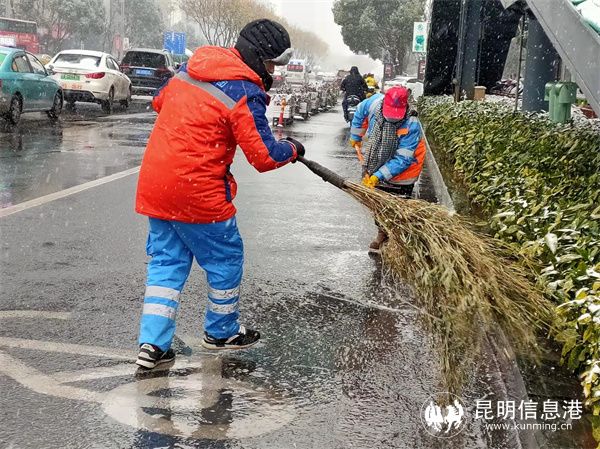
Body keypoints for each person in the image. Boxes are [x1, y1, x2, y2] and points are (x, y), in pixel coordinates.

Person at [134, 19, 304, 369]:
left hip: (156, 185)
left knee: (166, 264)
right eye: (271, 64)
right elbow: (264, 156)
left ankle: (152, 345)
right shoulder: (244, 89)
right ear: (256, 57)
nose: (272, 72)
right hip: (199, 190)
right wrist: (292, 148)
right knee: (225, 259)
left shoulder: (189, 69)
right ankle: (221, 331)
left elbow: (158, 101)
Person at [348, 86, 426, 253]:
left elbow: (403, 159)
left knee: (397, 207)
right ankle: (382, 233)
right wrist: (355, 136)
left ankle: (396, 238)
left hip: (405, 171)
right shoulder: (373, 103)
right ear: (383, 103)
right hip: (377, 161)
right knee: (380, 205)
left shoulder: (411, 124)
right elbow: (360, 111)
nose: (392, 117)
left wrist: (378, 175)